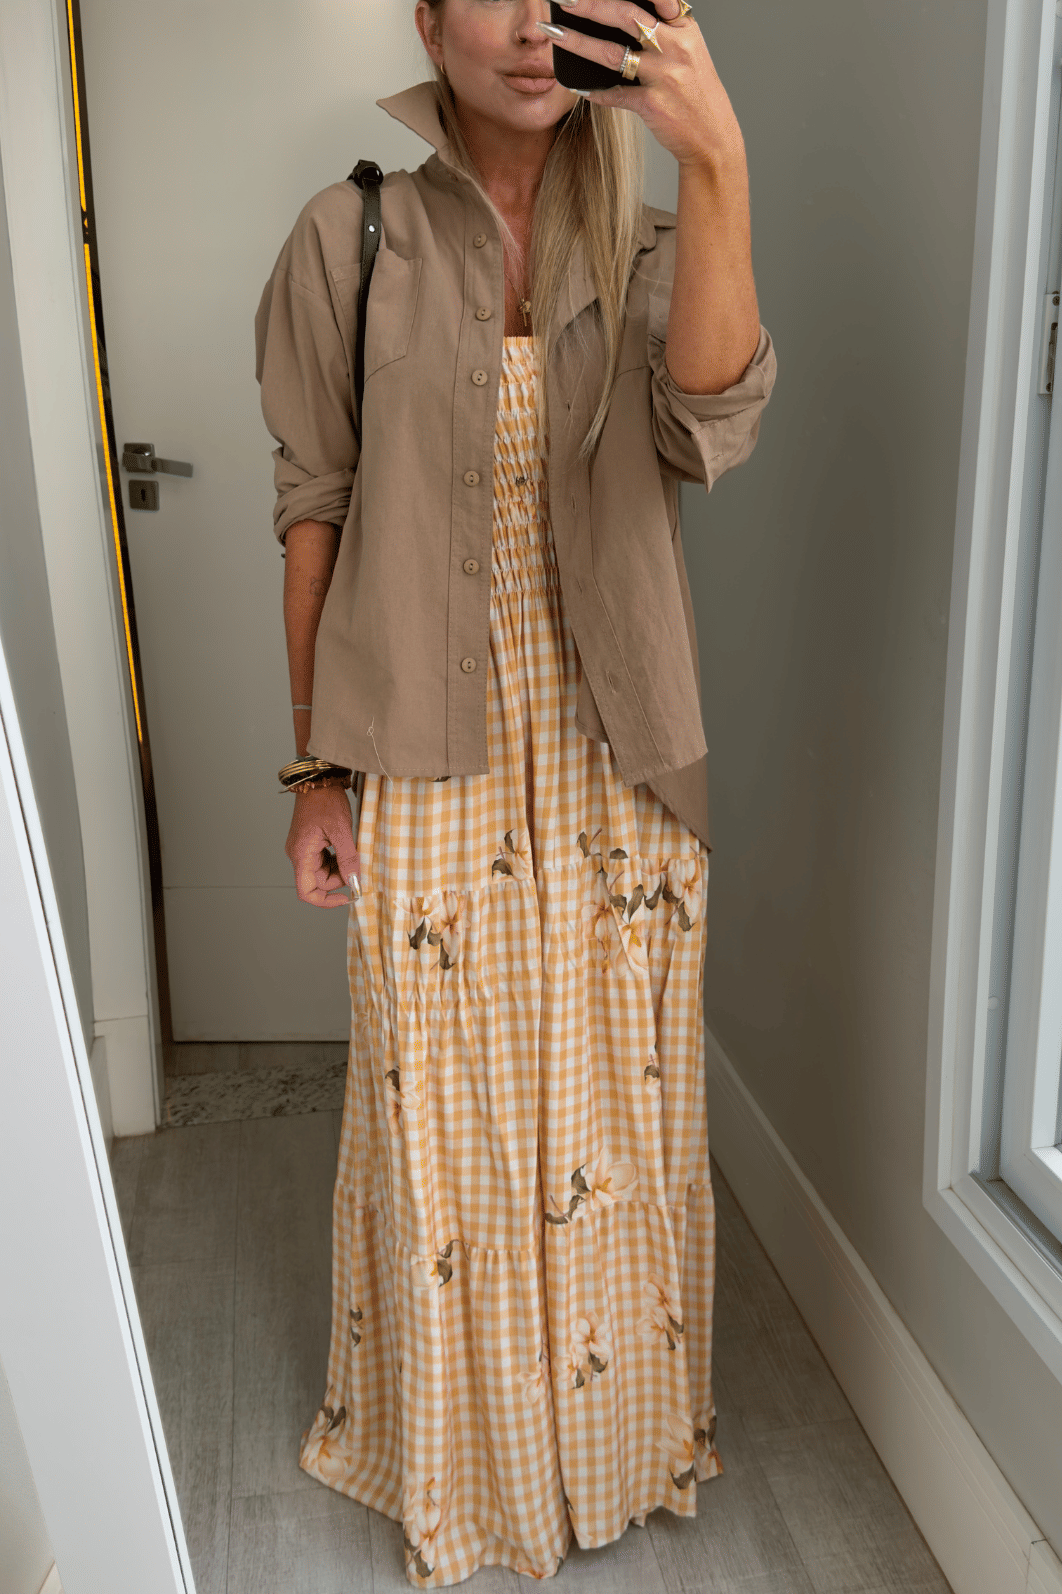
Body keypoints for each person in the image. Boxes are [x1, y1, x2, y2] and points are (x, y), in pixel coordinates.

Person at [255, 0, 776, 1583]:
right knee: (444, 1122)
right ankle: (472, 1471)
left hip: (620, 750)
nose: (533, 20)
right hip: (423, 754)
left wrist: (719, 162)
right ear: (428, 19)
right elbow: (313, 506)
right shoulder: (347, 238)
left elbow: (713, 426)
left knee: (616, 1110)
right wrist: (314, 772)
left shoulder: (650, 238)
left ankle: (610, 1451)